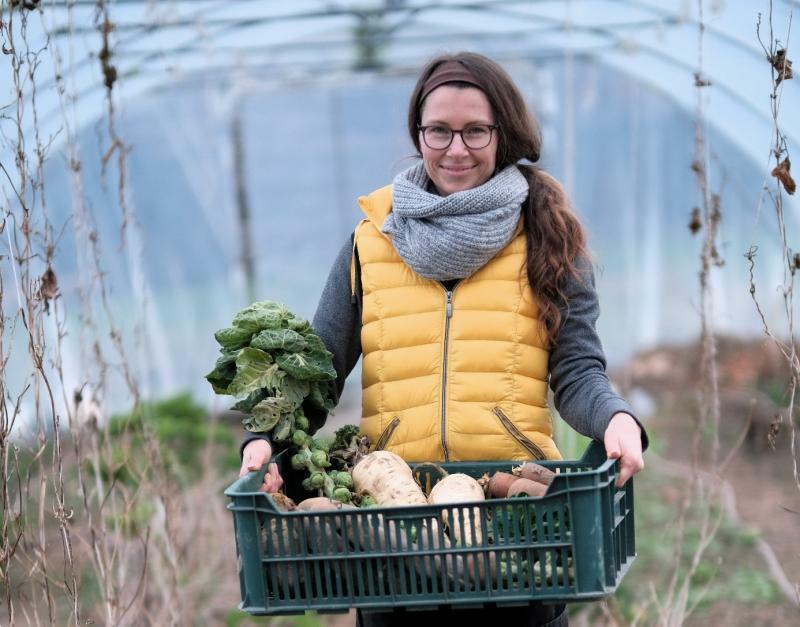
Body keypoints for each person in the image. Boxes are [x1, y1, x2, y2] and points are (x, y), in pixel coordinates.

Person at [239, 51, 647, 627]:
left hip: (515, 527)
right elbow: (319, 368)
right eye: (439, 131)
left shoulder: (551, 238)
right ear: (418, 134)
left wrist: (618, 419)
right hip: (392, 535)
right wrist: (263, 441)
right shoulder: (370, 241)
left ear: (503, 133)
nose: (456, 149)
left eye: (475, 130)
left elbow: (578, 370)